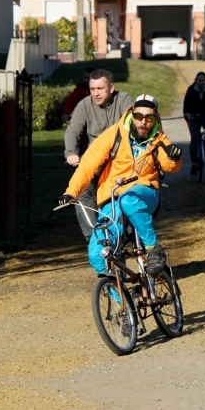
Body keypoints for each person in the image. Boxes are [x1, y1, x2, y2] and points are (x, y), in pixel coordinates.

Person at [58, 94, 183, 276]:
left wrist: (174, 157)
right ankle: (122, 302)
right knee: (96, 254)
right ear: (132, 114)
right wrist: (71, 193)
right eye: (139, 116)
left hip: (145, 192)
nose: (143, 122)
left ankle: (154, 248)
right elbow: (87, 166)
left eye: (149, 117)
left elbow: (169, 166)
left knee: (129, 200)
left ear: (156, 118)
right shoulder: (114, 134)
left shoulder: (159, 139)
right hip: (113, 197)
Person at [64, 69, 133, 242]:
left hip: (119, 163)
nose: (95, 93)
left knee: (127, 193)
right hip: (94, 162)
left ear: (111, 88)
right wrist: (71, 152)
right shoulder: (84, 105)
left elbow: (132, 126)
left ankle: (128, 232)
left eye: (100, 89)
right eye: (92, 89)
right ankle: (95, 239)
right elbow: (73, 130)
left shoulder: (124, 100)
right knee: (82, 192)